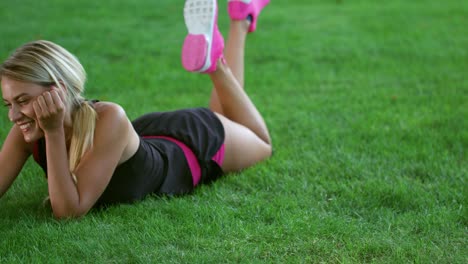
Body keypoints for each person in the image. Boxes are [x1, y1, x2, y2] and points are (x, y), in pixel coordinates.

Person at [0, 0, 271, 219]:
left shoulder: (109, 117)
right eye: (9, 104)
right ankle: (240, 16)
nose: (14, 115)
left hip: (193, 144)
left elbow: (68, 211)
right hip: (148, 136)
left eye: (23, 101)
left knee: (262, 144)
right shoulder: (28, 129)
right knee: (227, 112)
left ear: (58, 90)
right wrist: (48, 128)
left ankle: (231, 39)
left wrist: (54, 131)